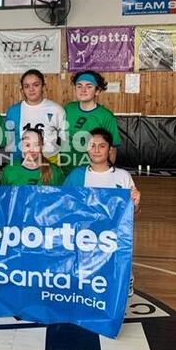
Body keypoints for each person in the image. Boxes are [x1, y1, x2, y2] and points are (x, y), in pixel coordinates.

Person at [63, 127, 140, 297]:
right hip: (83, 239)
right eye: (92, 145)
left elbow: (133, 214)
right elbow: (62, 206)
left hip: (112, 240)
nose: (96, 150)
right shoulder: (76, 175)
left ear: (110, 149)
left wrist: (135, 203)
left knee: (112, 293)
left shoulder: (122, 176)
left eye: (102, 146)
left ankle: (126, 279)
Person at [61, 70, 121, 174]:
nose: (83, 90)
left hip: (91, 172)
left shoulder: (106, 116)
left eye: (89, 86)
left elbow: (112, 148)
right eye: (79, 86)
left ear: (97, 91)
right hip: (65, 170)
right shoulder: (68, 109)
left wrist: (106, 173)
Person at [5, 69, 65, 163]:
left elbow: (64, 139)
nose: (31, 89)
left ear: (43, 87)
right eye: (26, 86)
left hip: (50, 161)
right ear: (22, 90)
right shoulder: (13, 111)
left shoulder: (56, 109)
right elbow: (10, 144)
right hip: (24, 161)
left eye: (36, 85)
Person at [0, 129, 64, 186]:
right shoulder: (9, 170)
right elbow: (1, 196)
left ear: (42, 146)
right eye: (27, 145)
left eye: (36, 145)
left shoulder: (55, 171)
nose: (31, 150)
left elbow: (62, 196)